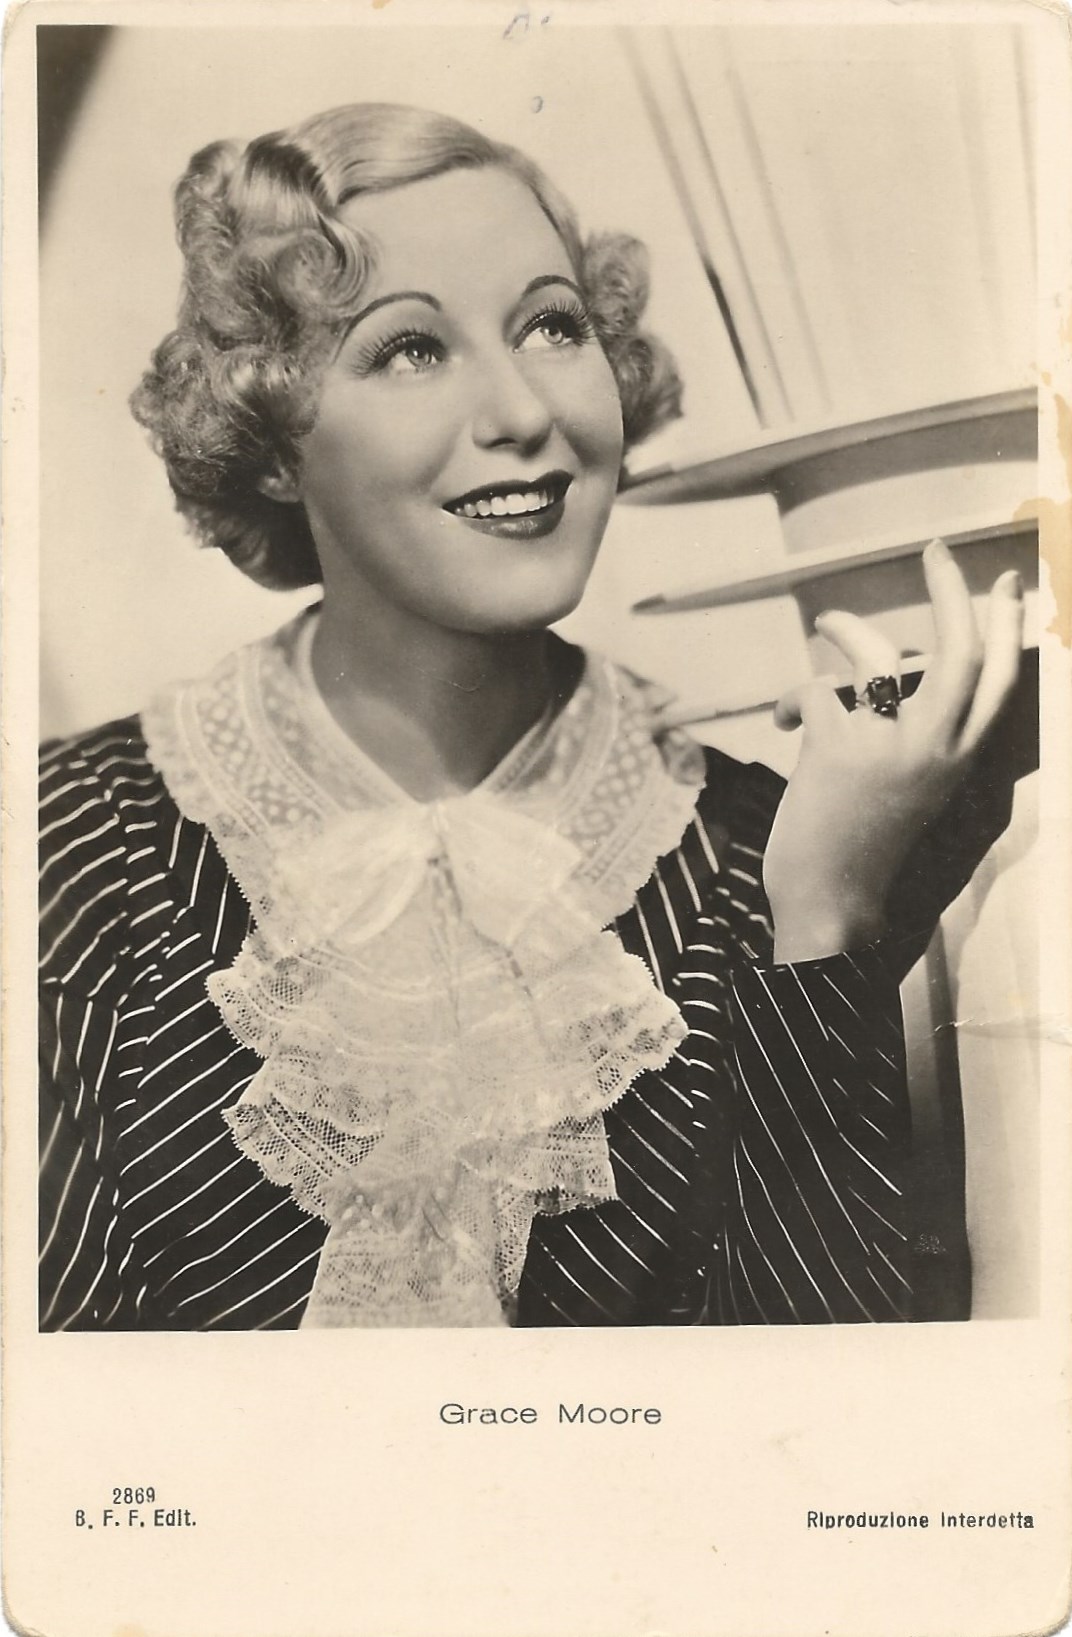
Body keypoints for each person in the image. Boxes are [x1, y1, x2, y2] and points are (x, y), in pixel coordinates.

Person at [38, 102, 1024, 1331]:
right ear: (273, 441)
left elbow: (815, 1416)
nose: (520, 412)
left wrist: (823, 916)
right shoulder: (73, 840)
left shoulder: (771, 854)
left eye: (552, 326)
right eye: (410, 347)